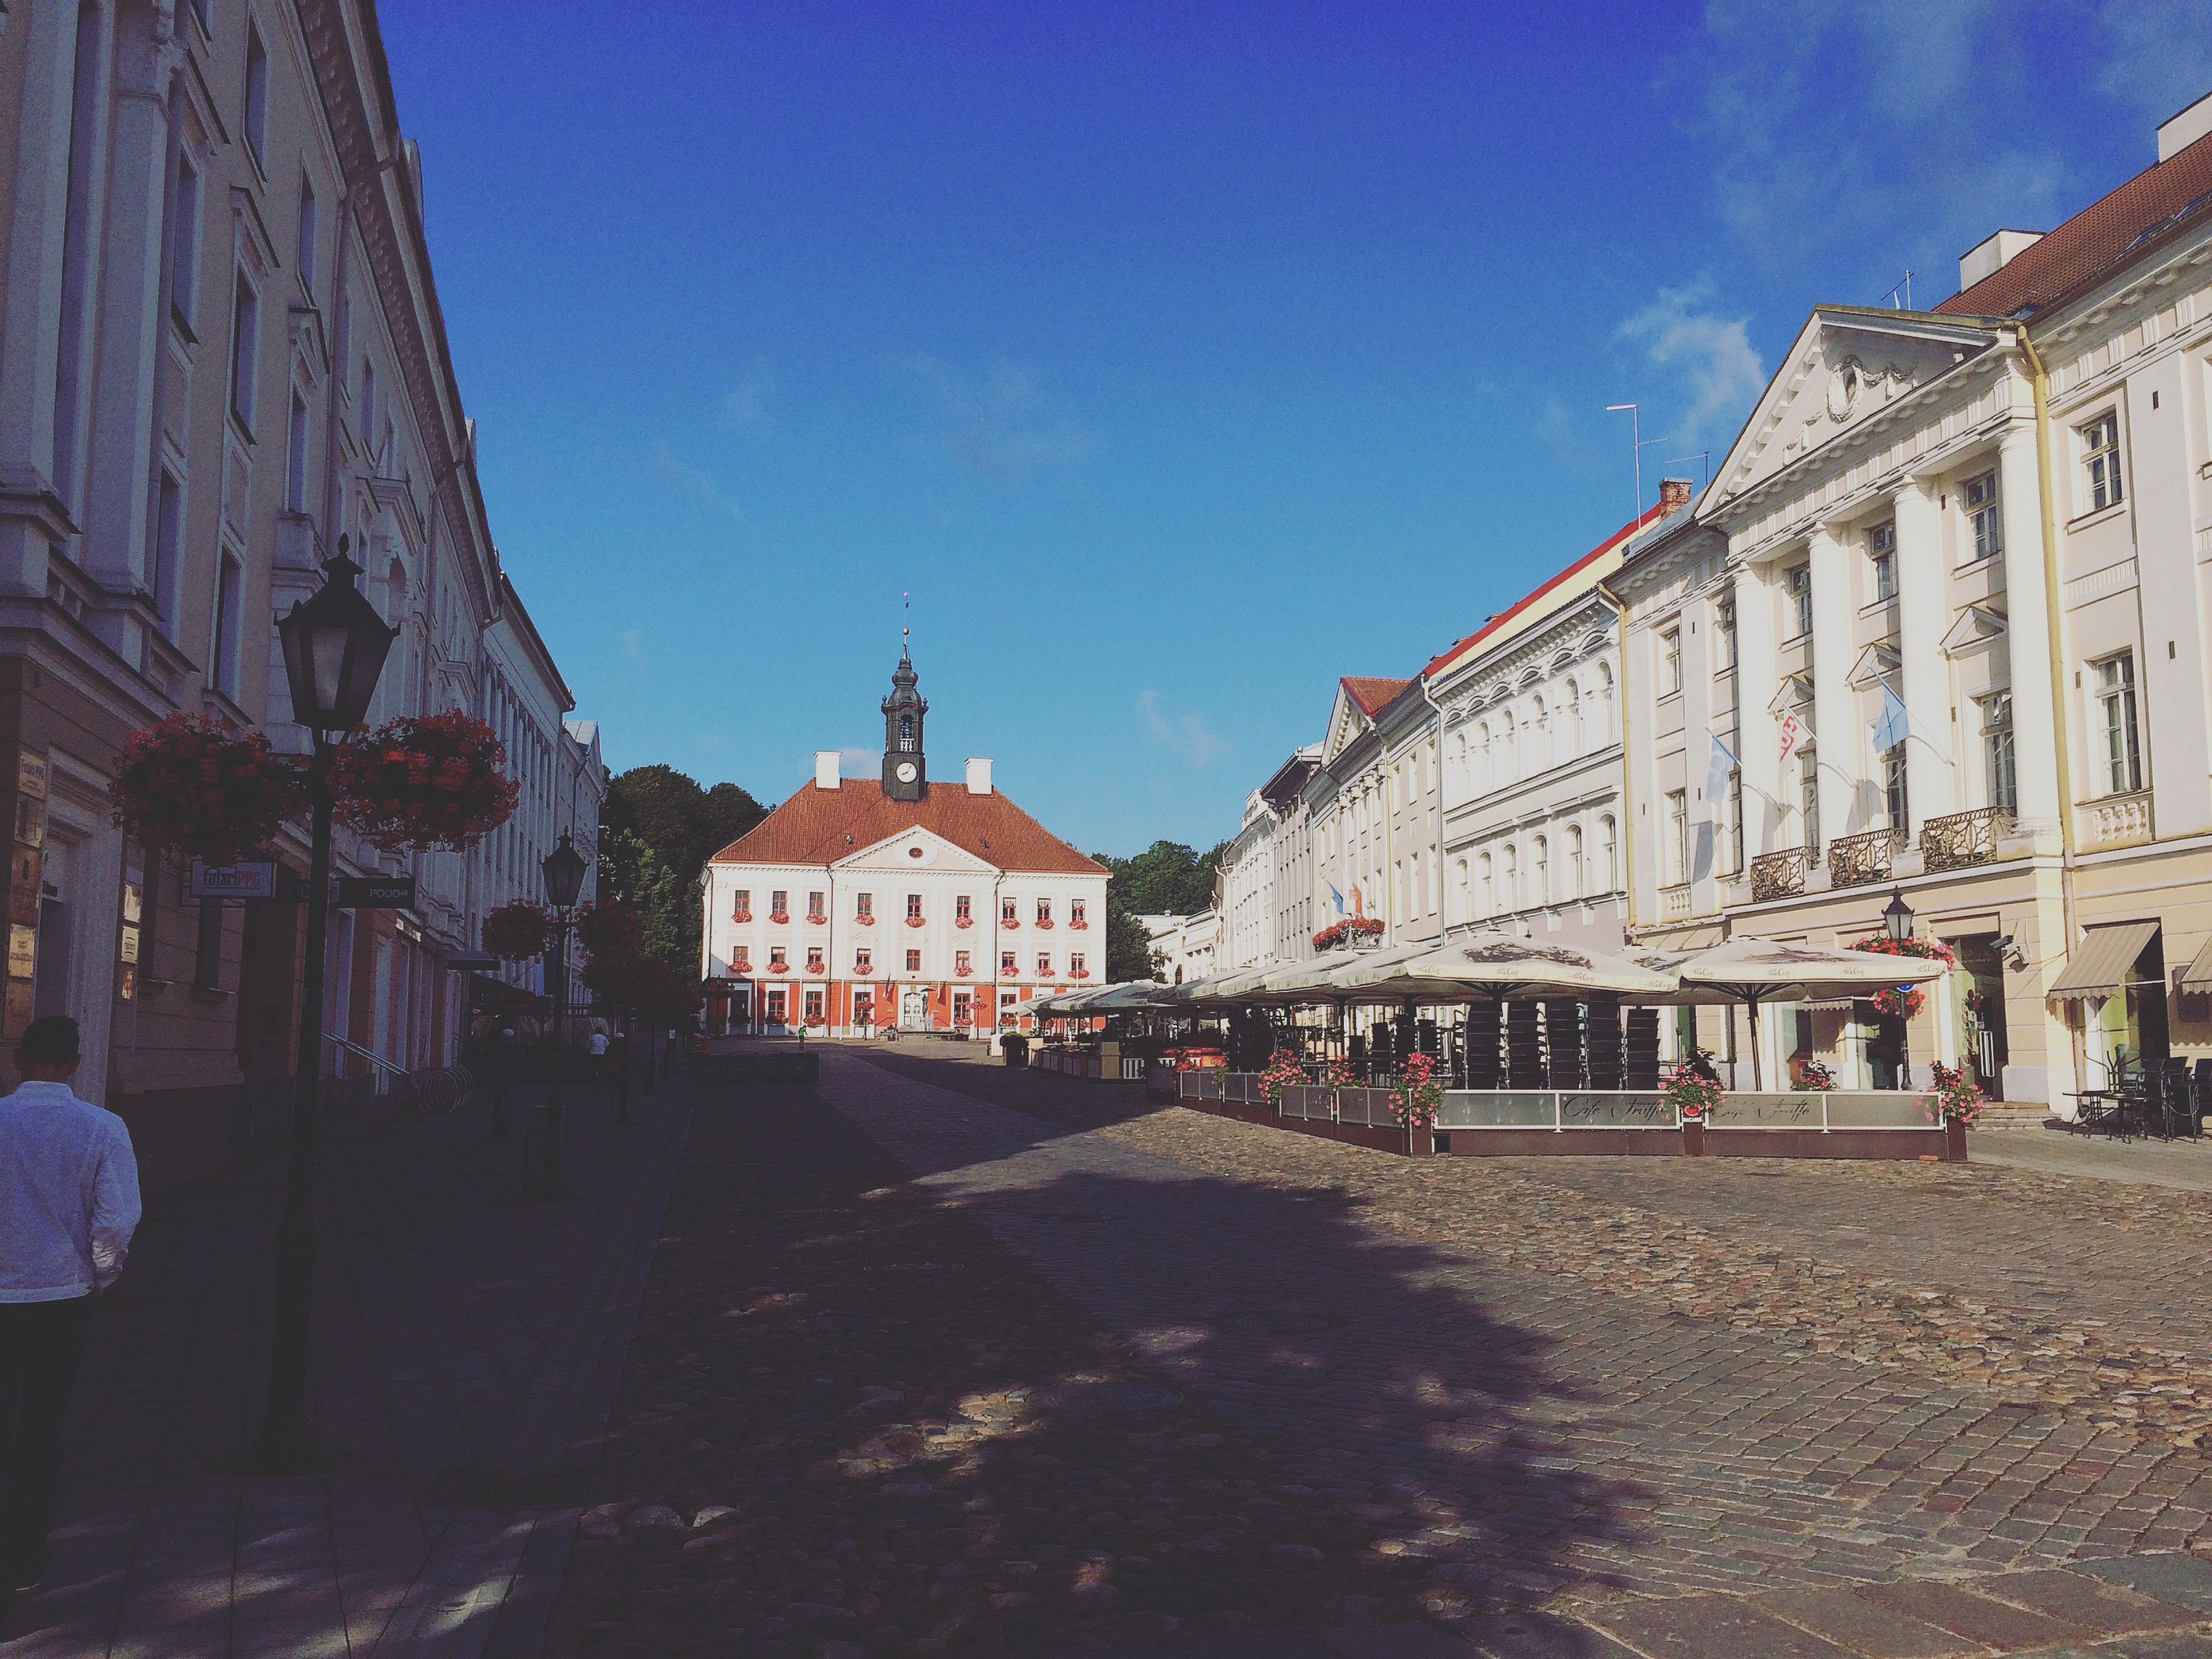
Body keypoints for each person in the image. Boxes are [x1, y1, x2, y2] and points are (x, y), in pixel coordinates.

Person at [0, 1015, 140, 1613]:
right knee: (41, 1428)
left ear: (18, 1060)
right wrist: (100, 1274)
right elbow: (116, 1219)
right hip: (60, 1296)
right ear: (75, 1064)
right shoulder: (101, 1127)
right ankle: (23, 1559)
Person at [483, 1028, 527, 1141]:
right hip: (511, 1080)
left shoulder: (496, 1049)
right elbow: (523, 1066)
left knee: (498, 1106)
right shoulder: (518, 1049)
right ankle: (505, 1131)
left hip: (498, 1080)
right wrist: (523, 1080)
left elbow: (489, 1065)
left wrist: (489, 1080)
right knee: (508, 1107)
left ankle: (498, 1130)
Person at [606, 1027, 634, 1123]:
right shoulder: (626, 1047)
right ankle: (621, 1102)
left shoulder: (611, 1047)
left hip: (612, 1068)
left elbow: (606, 1056)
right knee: (622, 1086)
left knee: (612, 1086)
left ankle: (613, 1102)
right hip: (622, 1070)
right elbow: (630, 1057)